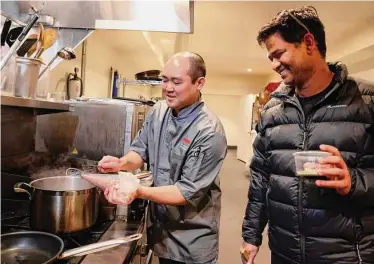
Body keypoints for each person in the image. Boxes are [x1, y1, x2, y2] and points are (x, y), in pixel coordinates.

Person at [241, 6, 374, 264]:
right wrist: (251, 235)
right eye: (270, 57)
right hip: (285, 253)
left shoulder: (366, 101)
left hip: (348, 256)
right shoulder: (272, 110)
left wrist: (354, 181)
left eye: (279, 54)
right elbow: (261, 179)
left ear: (309, 43)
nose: (274, 64)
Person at [98, 52, 227, 264]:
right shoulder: (159, 111)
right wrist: (121, 163)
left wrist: (136, 191)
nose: (167, 88)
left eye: (176, 81)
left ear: (199, 83)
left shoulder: (209, 132)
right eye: (164, 80)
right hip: (162, 231)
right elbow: (140, 151)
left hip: (191, 240)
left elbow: (185, 192)